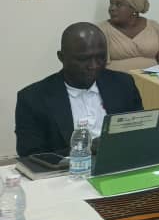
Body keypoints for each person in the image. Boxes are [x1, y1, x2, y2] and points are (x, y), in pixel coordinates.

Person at [15, 22, 143, 156]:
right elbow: (31, 155)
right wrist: (85, 149)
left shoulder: (123, 84)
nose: (93, 65)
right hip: (67, 168)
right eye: (83, 59)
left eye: (101, 57)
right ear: (61, 57)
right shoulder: (33, 98)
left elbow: (140, 132)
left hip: (120, 161)